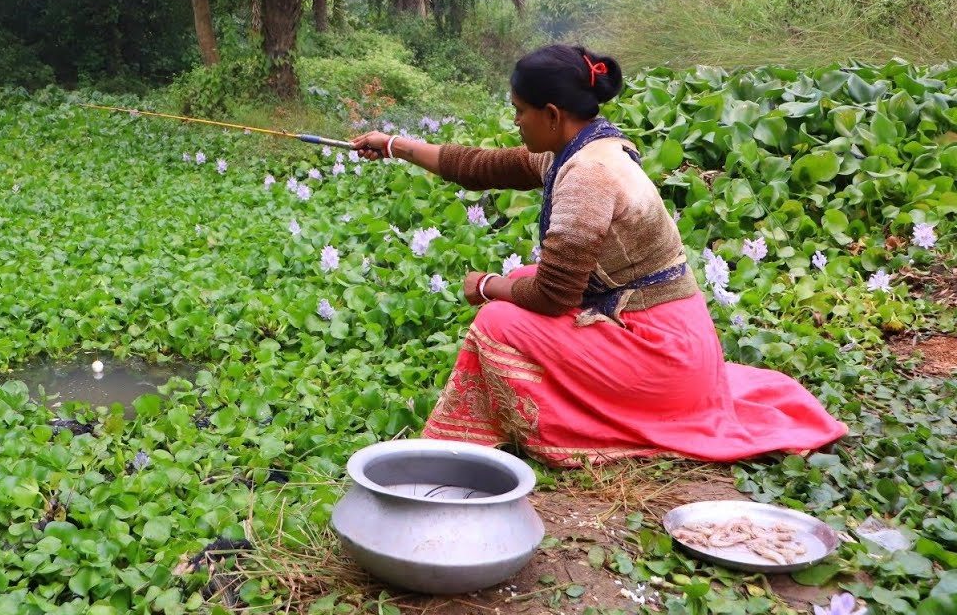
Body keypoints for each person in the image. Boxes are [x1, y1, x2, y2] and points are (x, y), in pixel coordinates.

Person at [351, 44, 847, 466]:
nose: (516, 121)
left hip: (664, 358)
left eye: (519, 110)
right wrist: (393, 144)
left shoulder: (588, 175)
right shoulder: (589, 144)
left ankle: (565, 428)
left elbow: (553, 296)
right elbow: (480, 167)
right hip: (675, 338)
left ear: (550, 115)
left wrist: (484, 287)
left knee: (499, 320)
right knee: (520, 278)